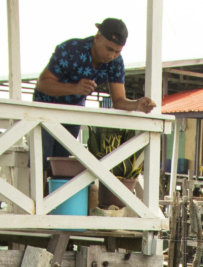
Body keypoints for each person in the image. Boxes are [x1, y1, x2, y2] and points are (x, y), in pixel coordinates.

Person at [33, 16, 155, 161]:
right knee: (40, 165)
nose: (112, 55)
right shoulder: (70, 49)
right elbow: (42, 84)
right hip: (44, 110)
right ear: (97, 38)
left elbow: (118, 101)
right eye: (109, 49)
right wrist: (75, 88)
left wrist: (136, 104)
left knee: (60, 166)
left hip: (73, 113)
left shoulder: (116, 62)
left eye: (117, 52)